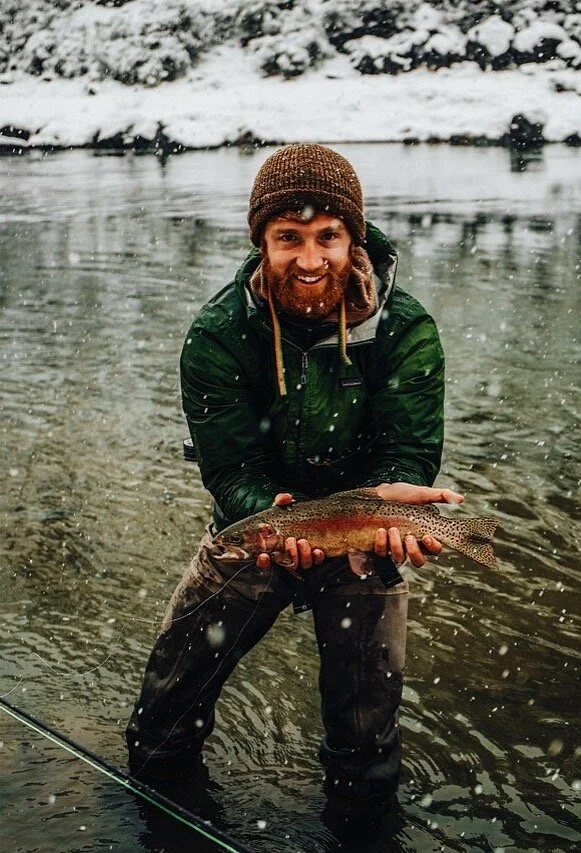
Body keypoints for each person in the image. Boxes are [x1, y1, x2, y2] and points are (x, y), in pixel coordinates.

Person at [125, 144, 463, 817]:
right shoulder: (218, 335)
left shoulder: (406, 329)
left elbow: (408, 451)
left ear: (352, 239)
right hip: (256, 532)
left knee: (367, 751)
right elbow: (229, 469)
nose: (309, 260)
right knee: (162, 725)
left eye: (327, 236)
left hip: (368, 538)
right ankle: (165, 816)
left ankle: (361, 820)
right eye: (288, 238)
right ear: (262, 243)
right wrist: (267, 513)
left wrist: (391, 498)